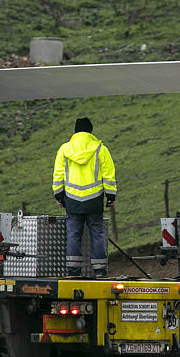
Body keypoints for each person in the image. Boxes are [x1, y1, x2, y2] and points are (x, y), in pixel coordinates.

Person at [52, 117, 116, 278]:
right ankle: (99, 270)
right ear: (90, 131)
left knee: (73, 234)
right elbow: (108, 175)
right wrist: (110, 196)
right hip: (94, 199)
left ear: (75, 131)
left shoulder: (64, 149)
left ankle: (73, 270)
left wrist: (59, 196)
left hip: (72, 200)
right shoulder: (100, 149)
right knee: (97, 234)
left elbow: (58, 175)